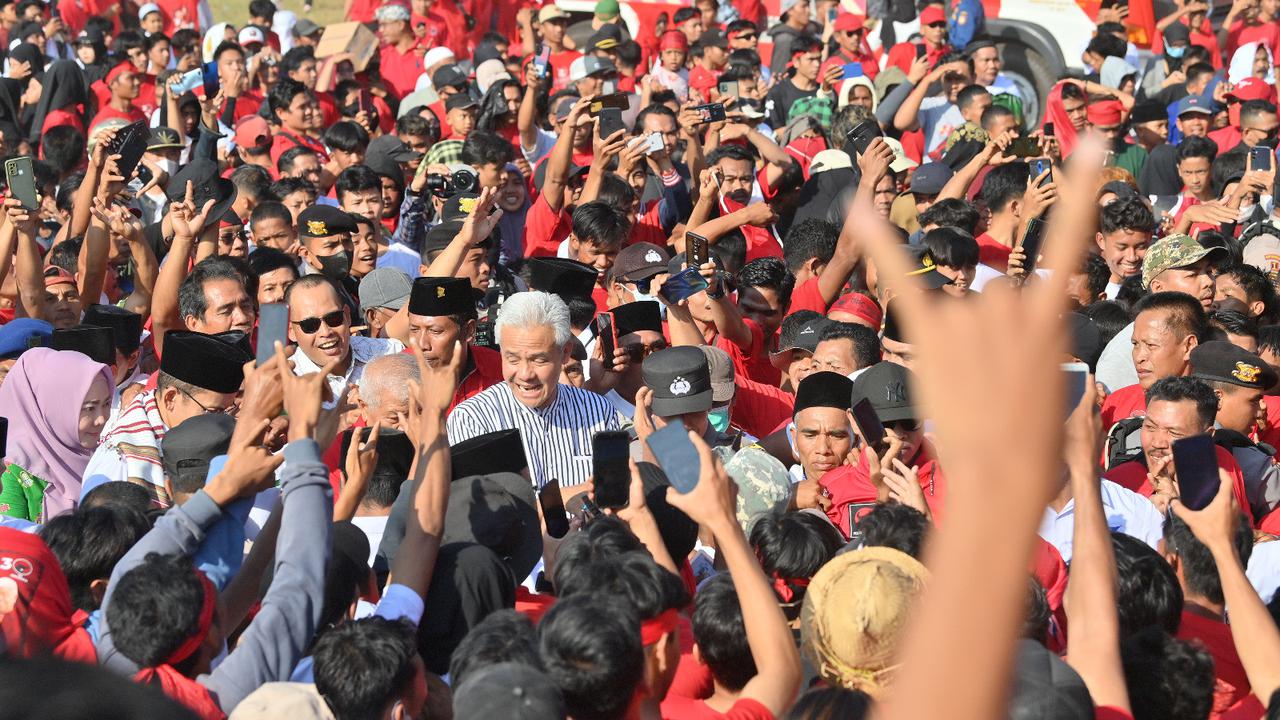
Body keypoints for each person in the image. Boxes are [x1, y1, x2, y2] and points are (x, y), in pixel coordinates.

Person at [448, 291, 620, 489]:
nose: (525, 374)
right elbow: (484, 512)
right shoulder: (473, 419)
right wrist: (572, 497)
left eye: (538, 360)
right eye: (512, 359)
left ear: (565, 353)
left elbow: (612, 495)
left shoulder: (598, 410)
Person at [0, 348, 113, 522]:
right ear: (53, 411)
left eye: (106, 404)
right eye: (90, 408)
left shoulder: (106, 455)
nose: (102, 418)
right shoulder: (11, 469)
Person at [287, 274, 405, 401]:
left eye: (334, 318)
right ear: (291, 331)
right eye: (310, 325)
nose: (325, 332)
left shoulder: (390, 354)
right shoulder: (285, 386)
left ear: (347, 316)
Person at [405, 276, 503, 410]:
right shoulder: (392, 376)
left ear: (469, 330)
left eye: (435, 331)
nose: (422, 344)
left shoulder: (500, 370)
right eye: (414, 330)